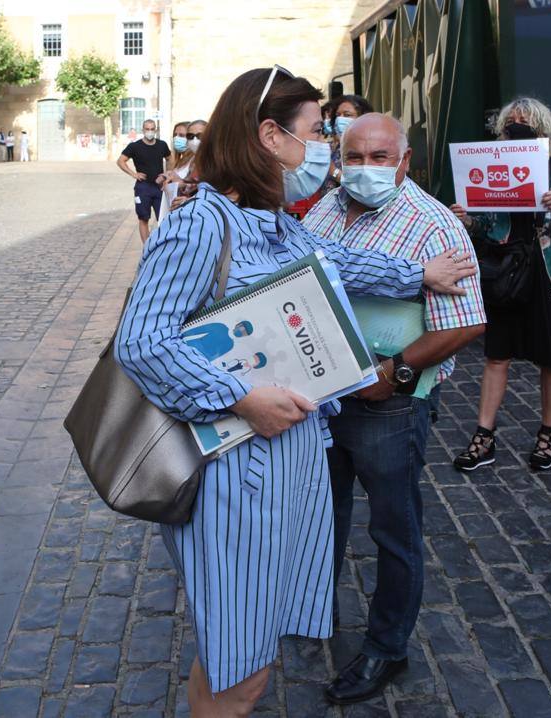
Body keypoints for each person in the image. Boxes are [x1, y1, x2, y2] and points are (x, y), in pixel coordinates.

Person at [114, 66, 476, 718]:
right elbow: (142, 342)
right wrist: (240, 396)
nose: (326, 150)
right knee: (241, 670)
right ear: (270, 135)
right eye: (318, 132)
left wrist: (418, 272)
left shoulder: (274, 220)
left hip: (281, 470)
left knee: (235, 655)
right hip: (234, 477)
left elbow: (337, 262)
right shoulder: (202, 224)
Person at [303, 113, 486, 704]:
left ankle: (387, 648)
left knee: (394, 531)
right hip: (322, 400)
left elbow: (467, 322)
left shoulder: (435, 227)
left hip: (389, 407)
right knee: (319, 516)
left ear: (405, 163)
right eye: (355, 156)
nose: (365, 168)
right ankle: (310, 614)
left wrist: (397, 373)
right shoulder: (327, 207)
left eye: (380, 158)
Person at [449, 97, 551, 473]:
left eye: (527, 120)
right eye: (512, 120)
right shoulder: (491, 166)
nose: (519, 123)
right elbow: (485, 226)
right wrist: (468, 221)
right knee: (497, 354)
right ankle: (484, 434)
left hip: (547, 272)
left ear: (543, 129)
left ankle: (547, 433)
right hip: (505, 269)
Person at [117, 118, 171, 243]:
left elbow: (170, 158)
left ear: (156, 130)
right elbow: (120, 161)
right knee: (143, 218)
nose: (150, 131)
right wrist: (134, 174)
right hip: (143, 188)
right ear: (143, 130)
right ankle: (146, 247)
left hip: (159, 188)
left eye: (152, 129)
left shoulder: (162, 145)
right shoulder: (134, 146)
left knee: (163, 218)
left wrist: (167, 175)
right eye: (147, 129)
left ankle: (163, 246)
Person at [321, 94, 373, 192]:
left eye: (347, 115)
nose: (340, 119)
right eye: (338, 115)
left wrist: (334, 172)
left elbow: (363, 187)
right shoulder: (339, 147)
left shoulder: (369, 148)